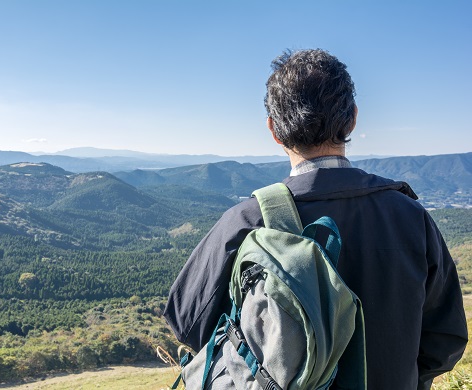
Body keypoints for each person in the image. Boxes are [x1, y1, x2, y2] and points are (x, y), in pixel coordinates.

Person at [164, 49, 467, 389]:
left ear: (274, 130)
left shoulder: (246, 222)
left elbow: (188, 324)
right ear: (352, 119)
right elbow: (446, 339)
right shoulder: (412, 217)